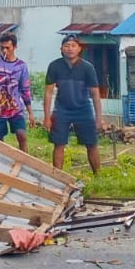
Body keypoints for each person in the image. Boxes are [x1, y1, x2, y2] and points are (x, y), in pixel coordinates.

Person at [42, 34, 104, 173]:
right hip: (62, 109)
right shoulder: (54, 66)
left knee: (91, 144)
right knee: (59, 144)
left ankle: (98, 176)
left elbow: (95, 93)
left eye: (73, 46)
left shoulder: (87, 67)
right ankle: (57, 177)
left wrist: (99, 119)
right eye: (67, 46)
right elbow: (48, 93)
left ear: (79, 49)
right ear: (61, 49)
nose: (70, 49)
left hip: (83, 109)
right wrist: (47, 117)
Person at [0, 32, 34, 151]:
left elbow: (25, 89)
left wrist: (30, 113)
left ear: (14, 47)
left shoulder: (21, 66)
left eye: (7, 48)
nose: (4, 51)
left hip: (15, 108)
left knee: (21, 135)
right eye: (2, 47)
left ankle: (25, 161)